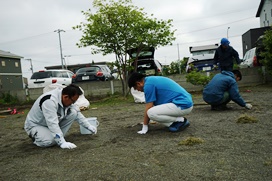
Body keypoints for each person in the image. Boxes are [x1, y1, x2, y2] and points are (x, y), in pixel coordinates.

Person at [24, 84, 97, 149]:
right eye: (73, 101)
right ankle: (37, 137)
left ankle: (58, 137)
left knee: (73, 112)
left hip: (48, 124)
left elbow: (77, 113)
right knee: (49, 141)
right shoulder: (49, 101)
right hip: (36, 125)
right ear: (66, 97)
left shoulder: (67, 96)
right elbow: (52, 123)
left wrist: (88, 126)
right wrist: (61, 142)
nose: (73, 103)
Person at [128, 72, 193, 134]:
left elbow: (149, 107)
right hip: (183, 104)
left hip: (182, 105)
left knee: (151, 113)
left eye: (135, 88)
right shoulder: (150, 80)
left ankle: (180, 120)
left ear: (139, 83)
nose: (137, 90)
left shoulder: (148, 85)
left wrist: (145, 126)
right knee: (154, 112)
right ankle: (176, 123)